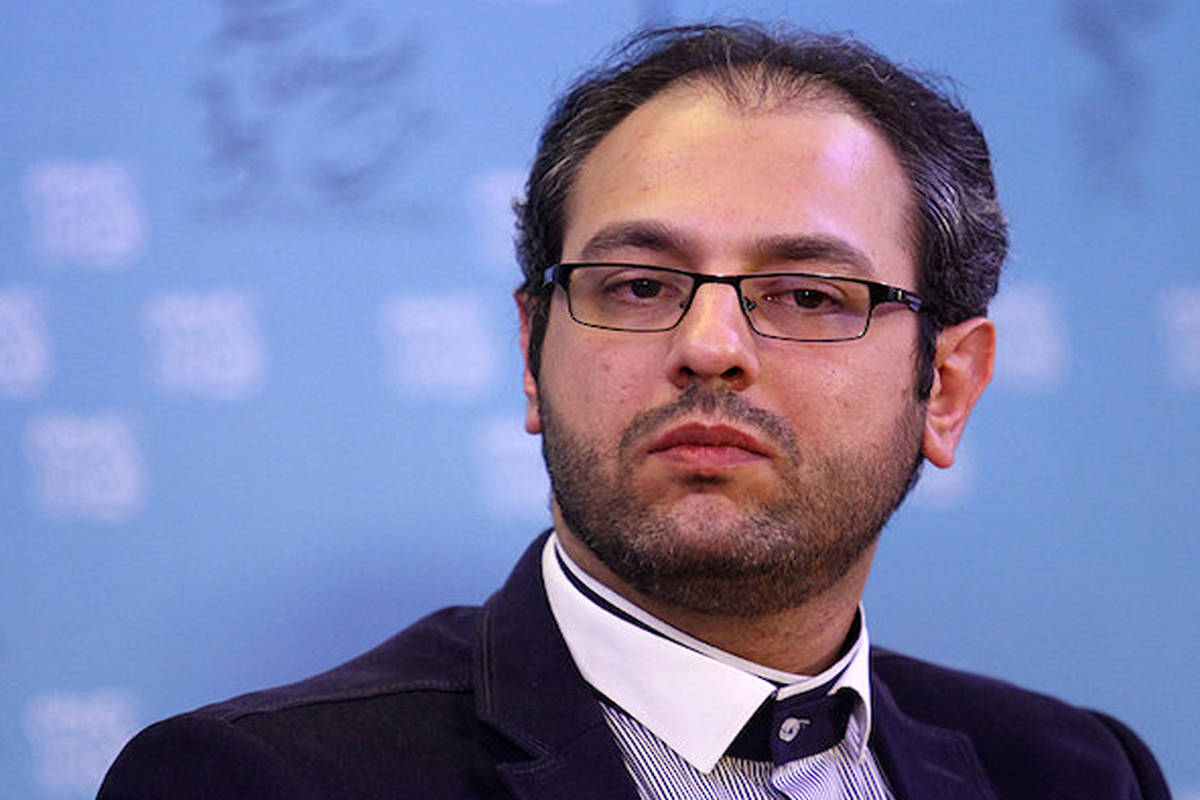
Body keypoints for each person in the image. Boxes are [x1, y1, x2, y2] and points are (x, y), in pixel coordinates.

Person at [98, 22, 1170, 800]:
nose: (710, 345)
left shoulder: (1075, 772)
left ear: (947, 386)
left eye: (808, 295)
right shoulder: (262, 779)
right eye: (640, 286)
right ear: (532, 355)